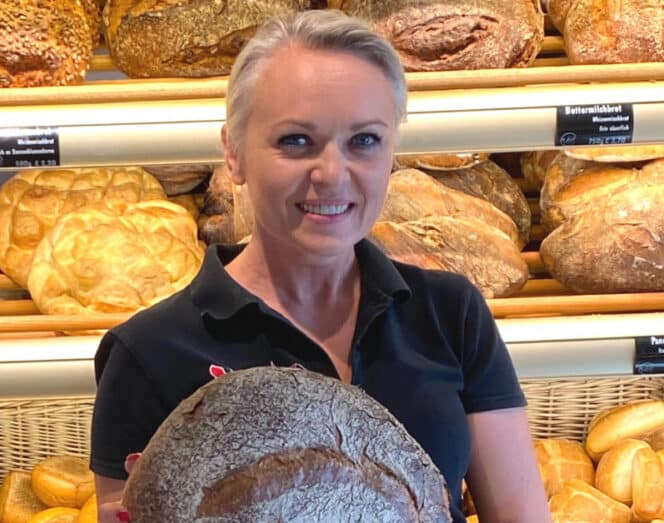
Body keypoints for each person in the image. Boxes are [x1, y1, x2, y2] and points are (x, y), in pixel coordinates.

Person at [89, 9, 549, 523]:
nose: (332, 174)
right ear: (234, 152)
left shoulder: (450, 311)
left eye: (364, 141)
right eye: (295, 141)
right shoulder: (148, 351)